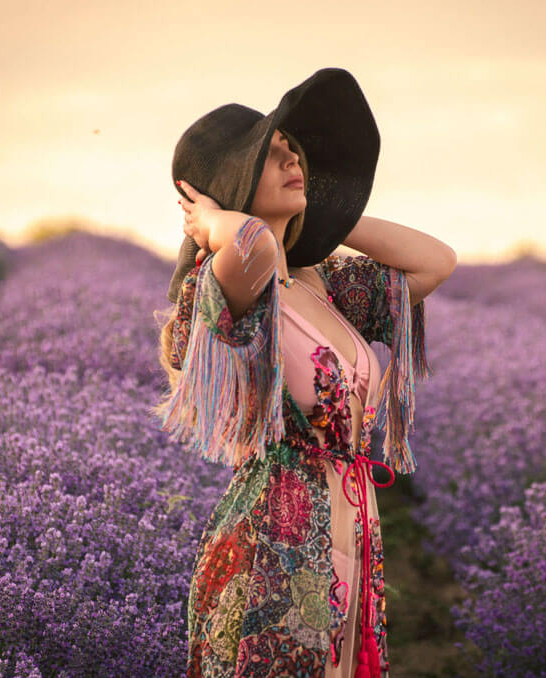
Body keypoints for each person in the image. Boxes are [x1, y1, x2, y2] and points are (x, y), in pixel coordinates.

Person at [154, 67, 456, 678]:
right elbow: (255, 248)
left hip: (348, 527)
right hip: (277, 543)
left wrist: (328, 212)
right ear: (231, 184)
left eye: (295, 152)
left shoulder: (324, 283)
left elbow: (435, 261)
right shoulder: (227, 281)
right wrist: (211, 223)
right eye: (272, 156)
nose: (294, 160)